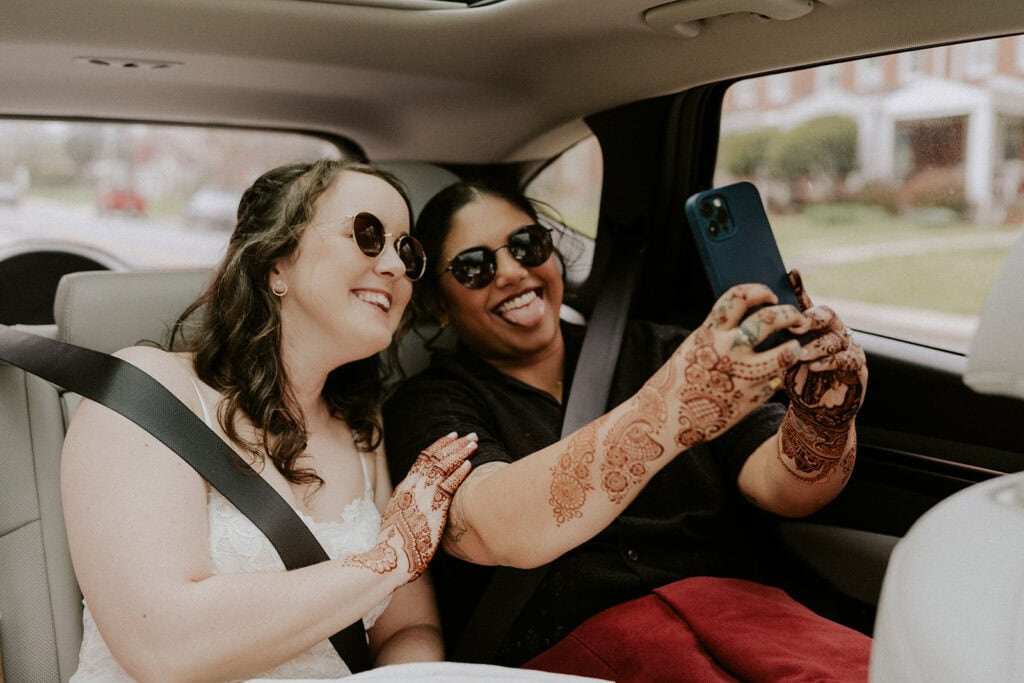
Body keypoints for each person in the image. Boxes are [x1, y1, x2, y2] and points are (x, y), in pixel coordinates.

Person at [383, 180, 870, 676]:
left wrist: (824, 417)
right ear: (438, 305)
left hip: (752, 618)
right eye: (473, 267)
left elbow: (785, 490)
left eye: (527, 245)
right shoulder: (427, 405)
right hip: (579, 650)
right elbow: (489, 528)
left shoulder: (668, 351)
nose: (512, 272)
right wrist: (672, 407)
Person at [60, 160, 479, 681]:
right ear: (275, 263)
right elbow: (164, 646)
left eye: (407, 250)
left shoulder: (361, 428)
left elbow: (408, 629)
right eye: (369, 236)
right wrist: (392, 557)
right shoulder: (146, 391)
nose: (394, 264)